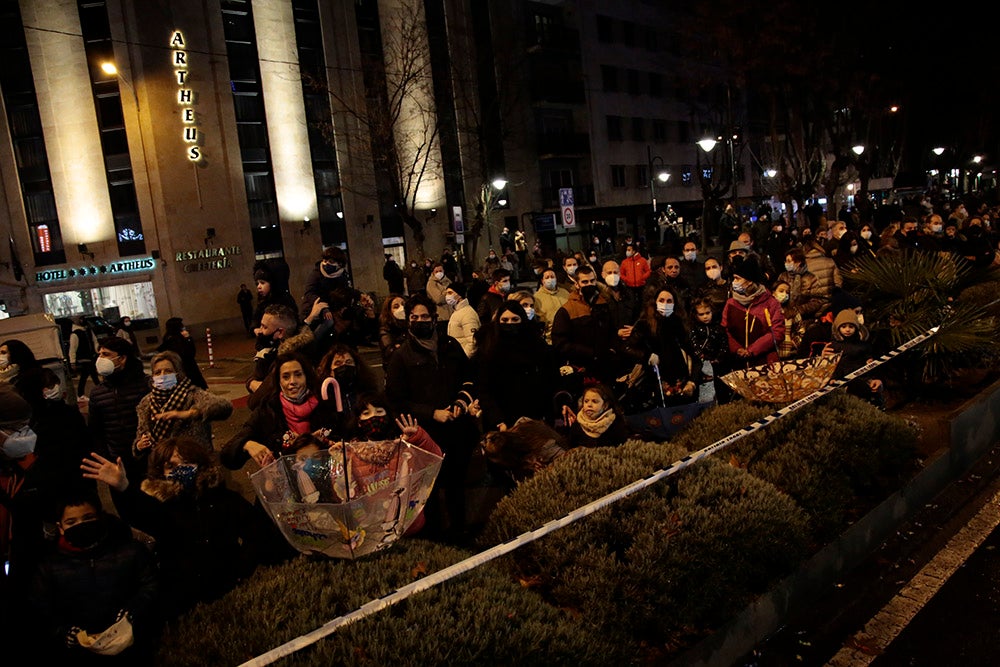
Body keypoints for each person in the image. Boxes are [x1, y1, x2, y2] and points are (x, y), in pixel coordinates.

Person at [82, 437, 286, 620]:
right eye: (171, 466)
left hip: (230, 588)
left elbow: (256, 532)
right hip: (181, 597)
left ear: (200, 464)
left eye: (187, 463)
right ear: (161, 473)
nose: (180, 470)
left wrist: (242, 568)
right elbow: (140, 513)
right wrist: (123, 487)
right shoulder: (161, 505)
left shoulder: (222, 498)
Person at [384, 293, 478, 540]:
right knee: (430, 492)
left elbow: (469, 378)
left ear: (434, 318)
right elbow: (395, 400)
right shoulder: (401, 356)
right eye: (414, 317)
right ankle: (436, 538)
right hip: (426, 436)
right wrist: (430, 413)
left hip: (457, 431)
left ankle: (460, 532)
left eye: (424, 316)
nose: (419, 321)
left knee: (457, 486)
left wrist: (461, 400)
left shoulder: (450, 346)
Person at [28, 487, 158, 663]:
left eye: (88, 518)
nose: (81, 525)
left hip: (131, 650)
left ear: (100, 517)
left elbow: (151, 585)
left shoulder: (130, 551)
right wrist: (63, 632)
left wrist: (133, 611)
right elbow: (41, 609)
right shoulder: (49, 566)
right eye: (71, 522)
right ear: (60, 527)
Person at [224, 353, 338, 469]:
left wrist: (324, 442)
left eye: (298, 375)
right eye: (286, 377)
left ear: (306, 377)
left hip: (328, 480)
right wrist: (246, 444)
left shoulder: (325, 403)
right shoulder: (268, 410)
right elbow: (227, 456)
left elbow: (344, 438)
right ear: (279, 381)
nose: (292, 381)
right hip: (284, 483)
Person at [134, 351, 232, 465]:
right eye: (157, 372)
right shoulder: (146, 402)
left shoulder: (192, 394)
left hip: (194, 462)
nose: (163, 375)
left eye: (168, 371)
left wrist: (190, 413)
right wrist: (139, 445)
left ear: (177, 373)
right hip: (162, 465)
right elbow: (141, 434)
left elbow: (224, 406)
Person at [472, 301, 558, 431]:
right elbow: (484, 388)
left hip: (533, 416)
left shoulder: (536, 345)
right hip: (501, 420)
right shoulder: (489, 349)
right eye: (505, 320)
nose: (509, 324)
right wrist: (498, 420)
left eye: (515, 319)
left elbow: (548, 379)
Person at [623, 288, 700, 408]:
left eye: (669, 301)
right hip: (654, 382)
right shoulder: (644, 323)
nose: (665, 304)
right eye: (662, 300)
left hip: (681, 381)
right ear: (655, 302)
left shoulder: (680, 323)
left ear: (675, 304)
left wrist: (692, 382)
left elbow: (695, 355)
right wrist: (647, 356)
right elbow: (628, 348)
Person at [87, 337, 150, 483]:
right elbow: (96, 431)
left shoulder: (145, 385)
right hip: (117, 463)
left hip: (146, 459)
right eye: (100, 354)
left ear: (122, 358)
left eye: (106, 354)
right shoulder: (98, 393)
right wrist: (106, 460)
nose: (100, 359)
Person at [552, 264, 625, 387]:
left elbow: (612, 330)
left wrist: (612, 350)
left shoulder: (604, 304)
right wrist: (589, 352)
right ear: (577, 284)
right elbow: (560, 343)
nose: (589, 285)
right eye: (585, 282)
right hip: (582, 367)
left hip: (606, 364)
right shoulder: (567, 310)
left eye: (592, 281)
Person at [721, 256, 785, 369]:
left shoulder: (770, 303)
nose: (734, 282)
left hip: (765, 363)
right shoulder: (731, 303)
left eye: (737, 278)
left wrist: (752, 350)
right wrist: (736, 349)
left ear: (749, 282)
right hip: (737, 363)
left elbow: (777, 332)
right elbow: (724, 330)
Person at [247, 304, 315, 397]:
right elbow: (255, 376)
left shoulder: (293, 357)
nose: (260, 331)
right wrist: (251, 382)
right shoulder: (272, 348)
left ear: (280, 332)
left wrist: (253, 384)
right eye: (261, 325)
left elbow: (256, 399)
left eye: (265, 327)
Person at [315, 343, 382, 437]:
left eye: (349, 362)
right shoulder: (323, 398)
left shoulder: (368, 393)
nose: (344, 366)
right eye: (338, 363)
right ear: (330, 371)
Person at [559, 383, 629, 449]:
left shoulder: (616, 424)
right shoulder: (577, 424)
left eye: (594, 401)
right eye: (586, 401)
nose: (589, 405)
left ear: (605, 405)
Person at [299, 246, 353, 326]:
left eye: (331, 261)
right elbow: (310, 292)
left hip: (332, 308)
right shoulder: (316, 273)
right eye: (325, 260)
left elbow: (345, 291)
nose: (326, 263)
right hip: (313, 308)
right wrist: (324, 308)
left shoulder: (343, 276)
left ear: (339, 264)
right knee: (329, 322)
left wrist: (359, 295)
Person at [156, 317, 207, 390]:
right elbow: (190, 354)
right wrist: (188, 339)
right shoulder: (177, 339)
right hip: (187, 371)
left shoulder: (168, 338)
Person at [251, 259, 297, 332]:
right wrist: (255, 329)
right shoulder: (262, 302)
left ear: (273, 284)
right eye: (257, 283)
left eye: (262, 283)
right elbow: (255, 321)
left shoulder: (286, 300)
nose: (258, 286)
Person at [533, 268, 569, 344]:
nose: (550, 279)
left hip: (568, 337)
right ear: (542, 281)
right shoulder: (536, 298)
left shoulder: (565, 293)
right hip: (549, 340)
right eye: (547, 277)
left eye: (552, 277)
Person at [445, 282, 480, 359]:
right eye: (446, 293)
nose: (447, 296)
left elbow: (473, 341)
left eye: (450, 293)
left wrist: (464, 358)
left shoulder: (468, 314)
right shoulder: (457, 312)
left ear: (459, 295)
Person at [68, 317, 99, 397]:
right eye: (80, 319)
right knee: (90, 375)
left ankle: (81, 393)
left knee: (87, 375)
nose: (82, 320)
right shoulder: (75, 334)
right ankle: (81, 393)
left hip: (90, 357)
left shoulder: (88, 331)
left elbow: (95, 341)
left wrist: (97, 351)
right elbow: (72, 349)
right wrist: (72, 362)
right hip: (83, 359)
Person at [378, 294, 410, 365]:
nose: (401, 308)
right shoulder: (386, 329)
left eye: (403, 304)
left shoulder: (410, 324)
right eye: (396, 306)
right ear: (389, 310)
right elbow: (389, 351)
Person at [424, 262, 453, 335]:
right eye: (436, 271)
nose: (439, 273)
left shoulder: (448, 281)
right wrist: (447, 292)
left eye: (440, 271)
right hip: (441, 317)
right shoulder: (431, 284)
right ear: (433, 272)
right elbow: (438, 299)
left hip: (452, 315)